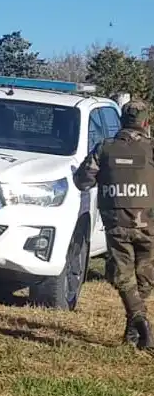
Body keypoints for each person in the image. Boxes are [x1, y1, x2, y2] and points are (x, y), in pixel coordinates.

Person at [73, 99, 154, 350]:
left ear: (121, 121)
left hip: (116, 224)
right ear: (146, 123)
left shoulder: (104, 148)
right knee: (145, 277)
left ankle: (136, 325)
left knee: (123, 276)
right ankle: (139, 324)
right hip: (149, 225)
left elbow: (82, 181)